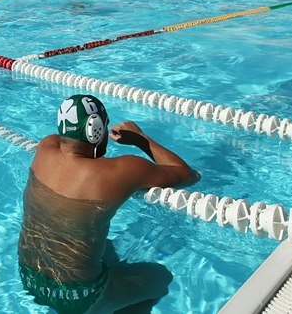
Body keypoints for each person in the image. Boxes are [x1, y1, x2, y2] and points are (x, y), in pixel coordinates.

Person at [18, 95, 199, 313]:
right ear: (95, 130)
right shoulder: (119, 171)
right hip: (82, 297)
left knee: (108, 249)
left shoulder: (46, 147)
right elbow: (188, 175)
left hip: (30, 278)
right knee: (160, 276)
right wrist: (141, 138)